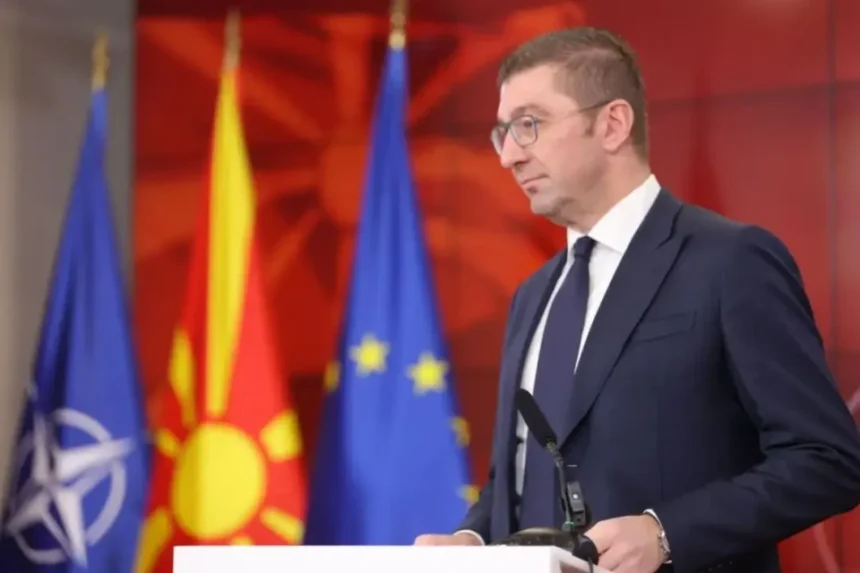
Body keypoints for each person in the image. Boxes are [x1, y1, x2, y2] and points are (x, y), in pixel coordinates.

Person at [413, 26, 860, 573]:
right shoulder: (531, 297)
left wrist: (666, 532)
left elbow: (827, 460)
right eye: (502, 132)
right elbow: (524, 476)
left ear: (613, 124)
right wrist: (473, 538)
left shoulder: (732, 262)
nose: (509, 156)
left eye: (529, 125)